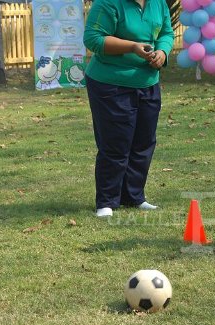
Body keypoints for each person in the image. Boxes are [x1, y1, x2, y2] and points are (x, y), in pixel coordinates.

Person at [83, 0, 174, 217]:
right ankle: (107, 201)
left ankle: (133, 196)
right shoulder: (108, 3)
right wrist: (132, 46)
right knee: (115, 143)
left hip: (148, 83)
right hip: (110, 83)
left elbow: (167, 33)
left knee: (143, 142)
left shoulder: (158, 3)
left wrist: (162, 51)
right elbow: (93, 39)